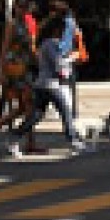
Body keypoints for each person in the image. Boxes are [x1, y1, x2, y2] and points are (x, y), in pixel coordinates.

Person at [21, 9, 85, 157]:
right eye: (63, 31)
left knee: (37, 114)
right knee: (66, 112)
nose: (65, 34)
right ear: (57, 30)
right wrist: (73, 57)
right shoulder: (51, 44)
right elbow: (58, 65)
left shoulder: (45, 44)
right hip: (51, 85)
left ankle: (16, 136)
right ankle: (73, 140)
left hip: (42, 84)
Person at [0, 0, 38, 155]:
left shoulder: (25, 24)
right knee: (28, 105)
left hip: (24, 68)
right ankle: (28, 142)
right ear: (16, 8)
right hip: (15, 69)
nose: (24, 10)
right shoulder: (12, 25)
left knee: (24, 107)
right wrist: (0, 72)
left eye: (26, 8)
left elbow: (30, 48)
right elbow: (4, 47)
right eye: (22, 7)